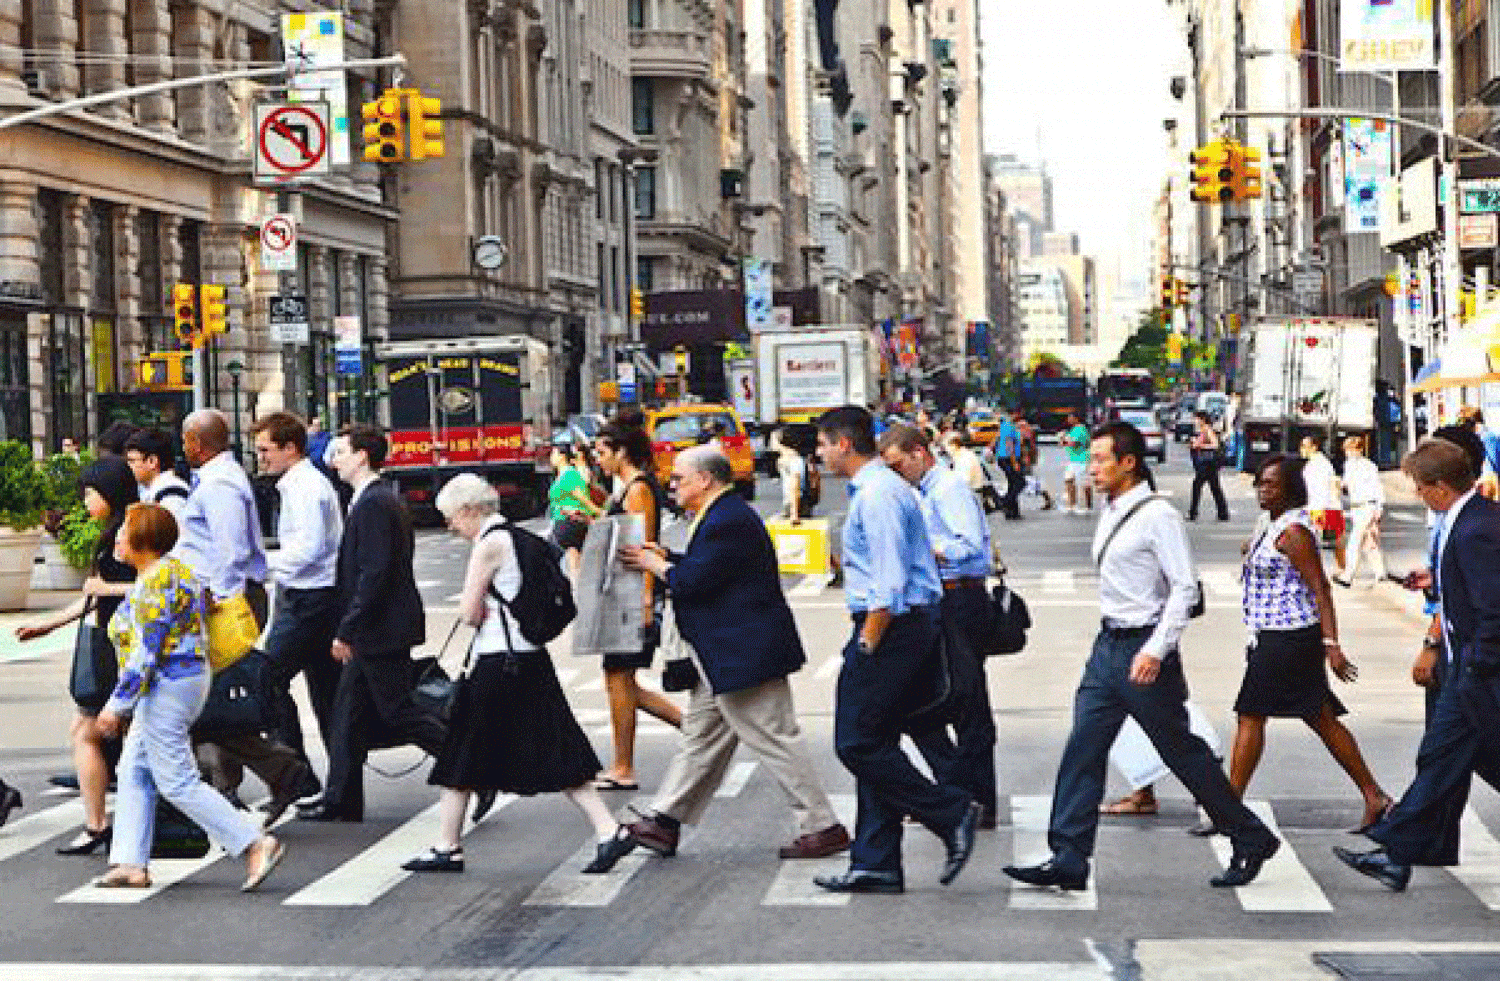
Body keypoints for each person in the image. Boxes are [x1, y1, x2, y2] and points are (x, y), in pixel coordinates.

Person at [1003, 421, 1280, 892]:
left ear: (1128, 463)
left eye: (1101, 459)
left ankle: (1249, 835)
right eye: (1090, 459)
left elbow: (1185, 588)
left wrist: (1156, 648)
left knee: (1181, 751)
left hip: (1145, 649)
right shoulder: (1111, 510)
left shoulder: (1157, 516)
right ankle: (1068, 856)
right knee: (1083, 749)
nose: (1092, 467)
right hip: (1107, 647)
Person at [600, 447, 850, 866]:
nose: (672, 484)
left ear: (705, 480)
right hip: (723, 656)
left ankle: (822, 826)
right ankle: (665, 820)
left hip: (743, 654)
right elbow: (710, 570)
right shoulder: (721, 514)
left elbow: (695, 582)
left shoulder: (728, 519)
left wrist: (654, 565)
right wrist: (669, 559)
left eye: (679, 477)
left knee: (775, 737)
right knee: (701, 741)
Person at [402, 475, 619, 874]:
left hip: (497, 664)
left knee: (461, 751)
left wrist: (477, 610)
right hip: (531, 659)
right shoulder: (523, 540)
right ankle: (608, 830)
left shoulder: (488, 545)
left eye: (451, 517)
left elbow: (469, 611)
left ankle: (448, 847)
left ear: (469, 511)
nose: (451, 526)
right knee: (558, 748)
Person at [811, 406, 980, 895]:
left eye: (822, 444)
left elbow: (889, 583)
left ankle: (948, 812)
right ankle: (877, 861)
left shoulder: (879, 494)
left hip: (892, 626)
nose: (818, 454)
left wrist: (868, 640)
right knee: (877, 741)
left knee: (855, 742)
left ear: (843, 444)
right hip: (906, 624)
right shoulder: (879, 489)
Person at [91, 503, 285, 891]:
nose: (117, 539)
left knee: (176, 779)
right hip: (180, 681)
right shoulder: (170, 572)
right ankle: (131, 862)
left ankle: (252, 841)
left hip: (167, 685)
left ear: (143, 539)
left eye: (124, 532)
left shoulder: (156, 581)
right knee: (135, 769)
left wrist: (116, 706)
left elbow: (147, 651)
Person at [1335, 439, 1500, 891]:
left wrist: (1478, 664)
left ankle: (1394, 846)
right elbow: (1469, 587)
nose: (1419, 495)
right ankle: (1397, 853)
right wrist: (1436, 583)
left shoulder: (1477, 527)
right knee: (1441, 759)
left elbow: (1494, 606)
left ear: (1441, 487)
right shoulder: (1461, 521)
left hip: (1476, 670)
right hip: (1462, 666)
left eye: (1421, 487)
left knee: (1449, 758)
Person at [1227, 454, 1391, 834]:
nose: (1263, 491)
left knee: (1250, 714)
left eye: (1272, 484)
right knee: (1319, 718)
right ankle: (1374, 795)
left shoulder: (1295, 533)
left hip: (1290, 637)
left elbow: (1321, 589)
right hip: (1271, 635)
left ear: (1291, 490)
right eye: (1260, 484)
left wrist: (1331, 643)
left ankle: (1229, 806)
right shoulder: (1271, 525)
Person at [299, 426, 447, 822]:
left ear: (363, 456)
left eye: (342, 452)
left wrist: (348, 629)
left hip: (381, 629)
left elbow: (375, 573)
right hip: (378, 627)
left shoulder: (375, 503)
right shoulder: (370, 499)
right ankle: (342, 799)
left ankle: (471, 766)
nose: (335, 460)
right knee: (346, 716)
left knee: (397, 711)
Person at [174, 410, 306, 813]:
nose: (182, 447)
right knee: (211, 702)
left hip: (226, 600)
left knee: (210, 703)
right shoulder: (215, 480)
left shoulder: (221, 485)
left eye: (185, 439)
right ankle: (233, 780)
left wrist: (219, 599)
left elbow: (230, 551)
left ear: (197, 442)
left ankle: (277, 772)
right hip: (222, 597)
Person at [16, 457, 138, 855]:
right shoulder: (115, 531)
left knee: (89, 733)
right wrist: (50, 624)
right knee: (96, 734)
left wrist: (104, 591)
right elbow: (94, 595)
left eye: (91, 492)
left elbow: (152, 585)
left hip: (123, 648)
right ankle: (100, 824)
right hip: (113, 642)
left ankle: (99, 824)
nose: (86, 501)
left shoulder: (128, 533)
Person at [879, 424, 998, 827]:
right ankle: (957, 794)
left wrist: (924, 549)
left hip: (960, 597)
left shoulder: (948, 489)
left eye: (898, 464)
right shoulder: (925, 491)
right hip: (940, 600)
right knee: (929, 701)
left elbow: (972, 549)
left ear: (918, 453)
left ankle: (975, 799)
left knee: (966, 700)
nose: (896, 473)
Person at [252, 412, 343, 805]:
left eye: (265, 450)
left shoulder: (305, 487)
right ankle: (336, 786)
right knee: (327, 693)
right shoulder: (300, 484)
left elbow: (309, 549)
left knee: (267, 679)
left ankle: (296, 776)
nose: (261, 458)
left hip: (309, 598)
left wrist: (260, 569)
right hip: (311, 597)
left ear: (290, 447)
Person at [590, 420, 683, 791]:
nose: (598, 460)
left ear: (621, 451)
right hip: (625, 594)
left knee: (620, 678)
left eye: (602, 452)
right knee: (620, 680)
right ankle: (696, 730)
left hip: (634, 596)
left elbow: (643, 547)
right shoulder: (627, 489)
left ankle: (624, 766)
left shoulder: (638, 490)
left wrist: (646, 600)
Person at [1335, 435, 1387, 588]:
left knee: (1354, 542)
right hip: (1356, 507)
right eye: (1346, 450)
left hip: (1367, 506)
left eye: (1351, 449)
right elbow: (1346, 484)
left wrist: (1379, 508)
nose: (1348, 453)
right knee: (1368, 542)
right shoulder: (1348, 465)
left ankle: (1347, 576)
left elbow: (1377, 487)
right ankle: (1381, 572)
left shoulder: (1368, 466)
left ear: (1359, 450)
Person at [548, 442, 603, 576]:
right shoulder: (561, 476)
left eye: (553, 453)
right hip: (562, 522)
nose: (551, 457)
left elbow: (583, 500)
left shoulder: (570, 475)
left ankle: (576, 589)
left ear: (562, 456)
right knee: (571, 561)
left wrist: (599, 513)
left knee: (570, 560)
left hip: (570, 523)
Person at [123, 429, 190, 517]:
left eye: (132, 461)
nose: (128, 466)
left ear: (152, 461)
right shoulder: (154, 491)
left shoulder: (171, 495)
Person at [1301, 434, 1344, 569]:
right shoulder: (1315, 463)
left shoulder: (1319, 464)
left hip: (1323, 508)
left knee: (1329, 540)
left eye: (1304, 446)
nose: (1302, 449)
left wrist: (1319, 509)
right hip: (1321, 507)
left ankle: (1340, 568)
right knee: (1328, 541)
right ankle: (1340, 568)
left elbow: (1325, 488)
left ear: (1314, 447)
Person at [1187, 412, 1229, 522]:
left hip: (1208, 464)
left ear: (1202, 419)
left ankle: (1193, 513)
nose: (1194, 421)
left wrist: (1200, 445)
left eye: (1196, 419)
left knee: (1197, 486)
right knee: (1215, 488)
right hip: (1206, 463)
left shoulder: (1207, 429)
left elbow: (1215, 445)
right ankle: (1223, 513)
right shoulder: (1201, 431)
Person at [772, 427, 808, 523]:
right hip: (791, 506)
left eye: (773, 439)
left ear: (781, 442)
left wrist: (794, 515)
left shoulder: (794, 460)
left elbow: (795, 487)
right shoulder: (784, 460)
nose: (771, 443)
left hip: (796, 506)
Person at [993, 410, 1024, 520]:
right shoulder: (1009, 426)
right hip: (1008, 458)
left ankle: (1012, 511)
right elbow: (1009, 444)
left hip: (1002, 457)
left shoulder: (1003, 426)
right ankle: (1005, 501)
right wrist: (1014, 462)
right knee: (1020, 482)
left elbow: (996, 440)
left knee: (1012, 483)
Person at [1060, 412, 1093, 514]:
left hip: (1081, 459)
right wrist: (1063, 439)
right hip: (1073, 459)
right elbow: (1064, 444)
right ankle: (1072, 505)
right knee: (1069, 481)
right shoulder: (1073, 430)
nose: (1069, 420)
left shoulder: (1081, 430)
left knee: (1083, 483)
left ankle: (1087, 506)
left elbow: (1075, 443)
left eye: (1071, 417)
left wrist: (1063, 439)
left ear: (1077, 418)